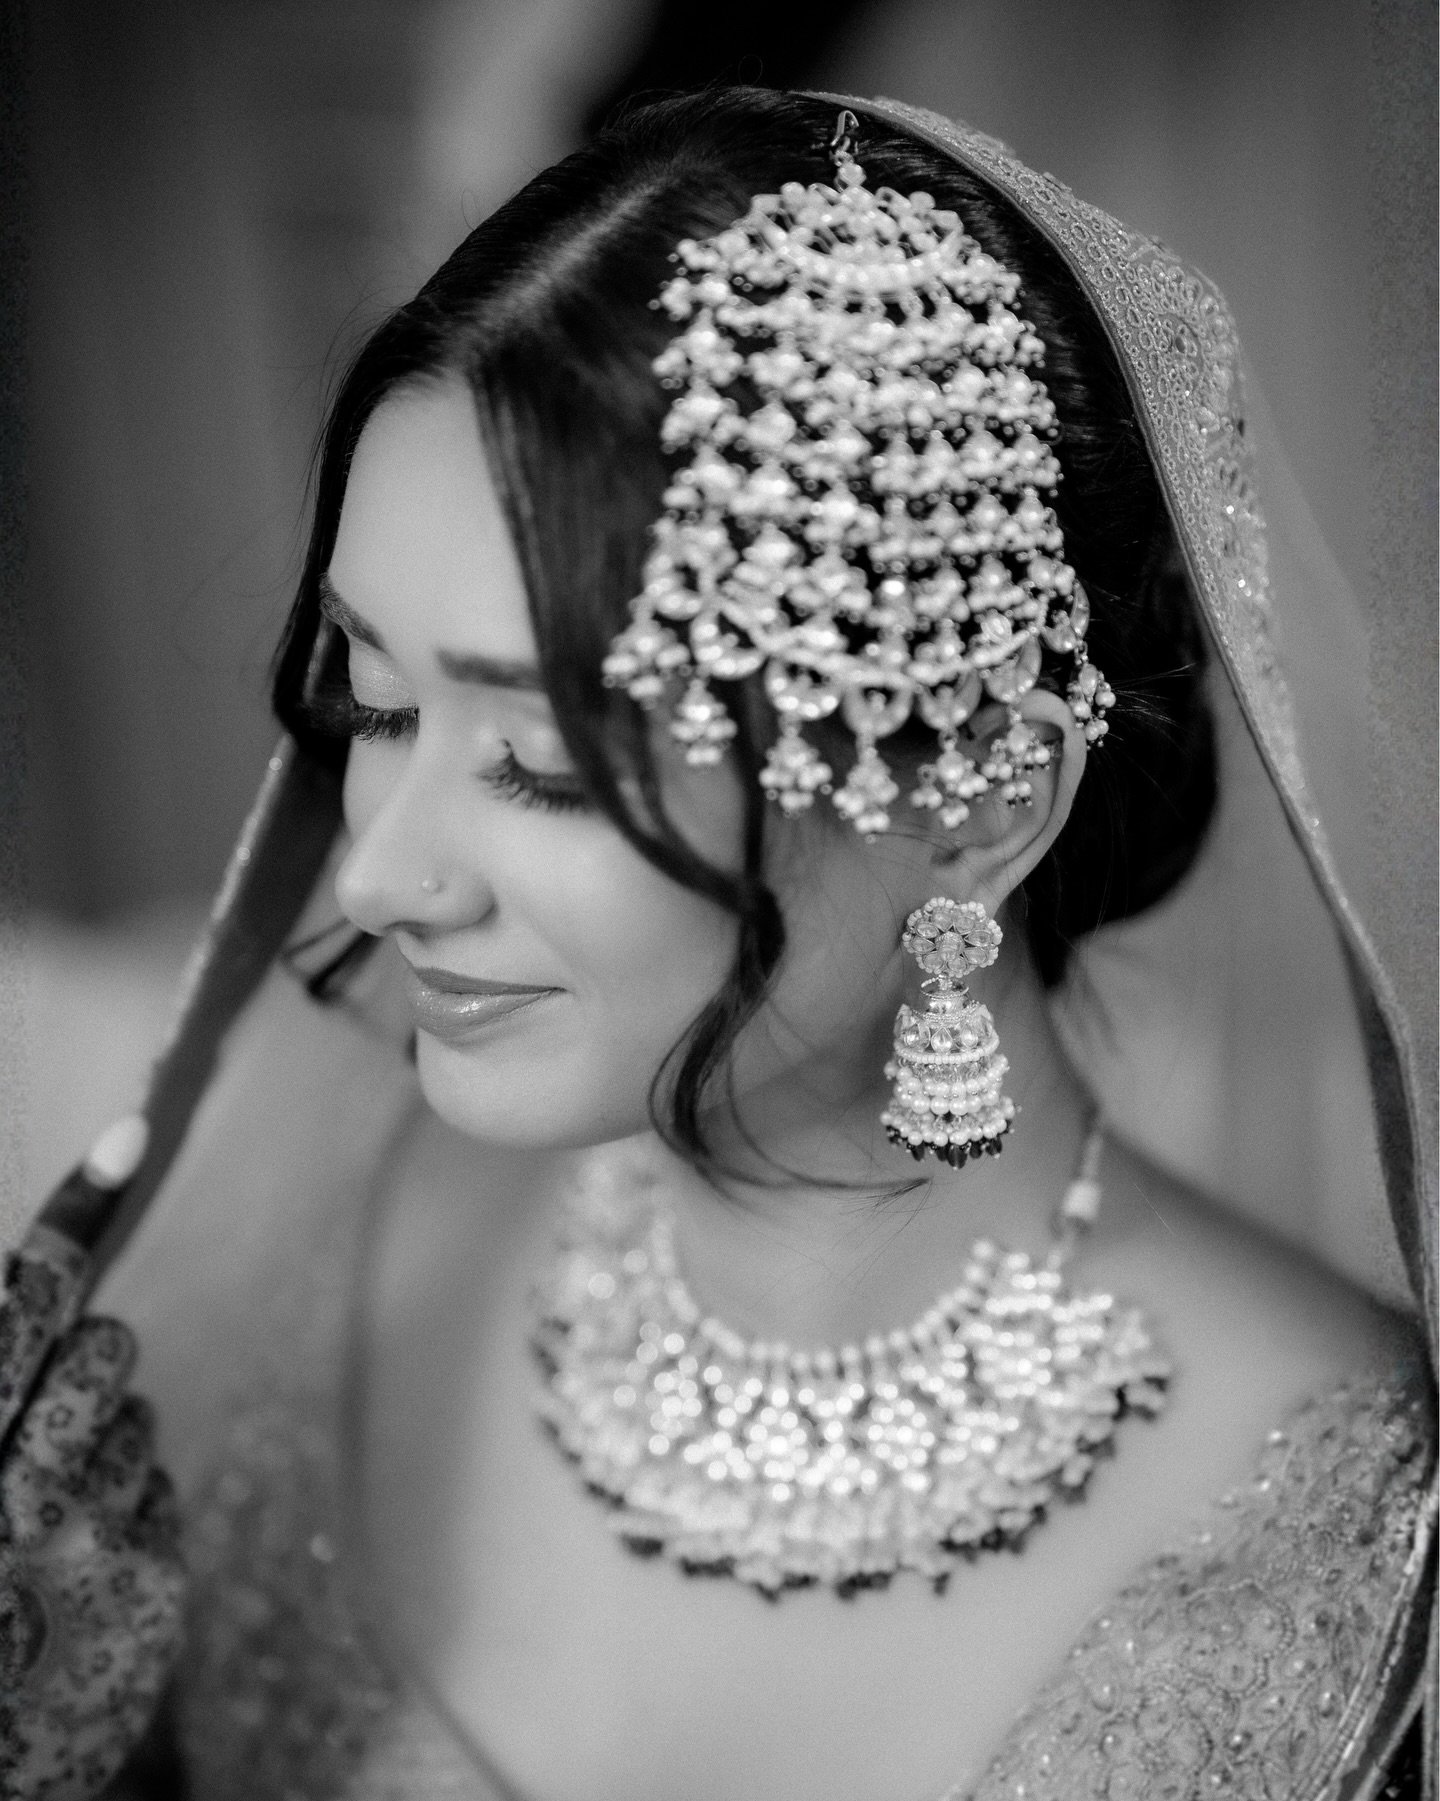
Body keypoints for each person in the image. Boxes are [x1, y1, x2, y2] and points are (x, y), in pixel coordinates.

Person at [3, 87, 1433, 1801]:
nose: (378, 876)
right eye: (374, 703)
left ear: (978, 801)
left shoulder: (1353, 1559)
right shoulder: (293, 1240)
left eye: (541, 763)